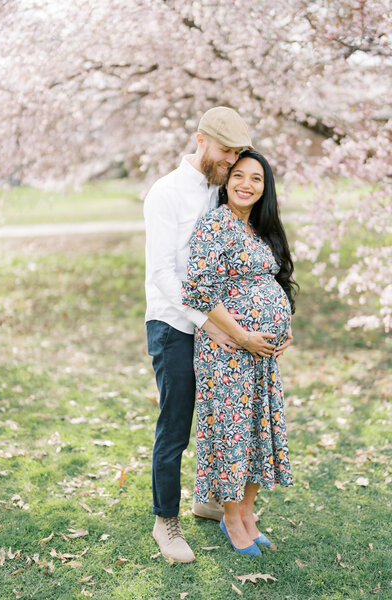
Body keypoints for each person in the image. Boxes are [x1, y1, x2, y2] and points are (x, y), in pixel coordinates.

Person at [144, 108, 292, 563]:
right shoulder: (165, 193)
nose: (232, 164)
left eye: (236, 156)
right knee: (177, 426)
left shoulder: (220, 189)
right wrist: (209, 318)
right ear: (201, 140)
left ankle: (213, 501)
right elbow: (165, 273)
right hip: (174, 323)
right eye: (227, 154)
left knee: (230, 418)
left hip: (223, 330)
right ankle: (165, 523)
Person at [181, 149, 297, 556]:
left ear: (265, 189)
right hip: (228, 353)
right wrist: (245, 335)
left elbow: (277, 284)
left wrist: (284, 331)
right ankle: (230, 518)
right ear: (227, 182)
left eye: (257, 179)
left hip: (262, 356)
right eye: (239, 176)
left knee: (258, 433)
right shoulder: (216, 224)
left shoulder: (260, 230)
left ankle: (248, 513)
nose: (246, 185)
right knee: (234, 432)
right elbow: (198, 289)